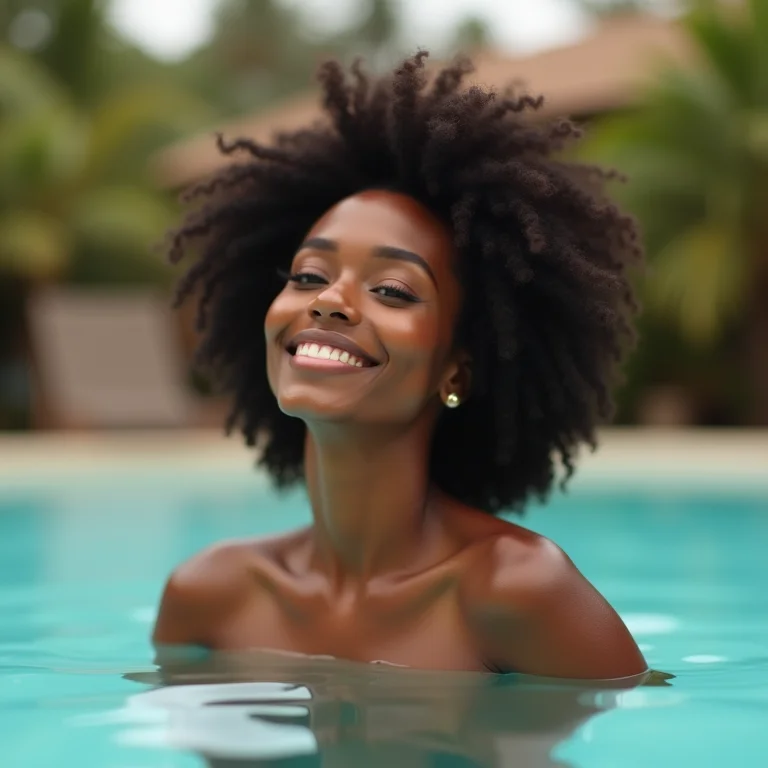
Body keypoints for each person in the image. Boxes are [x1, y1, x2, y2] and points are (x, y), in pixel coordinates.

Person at [154, 52, 647, 679]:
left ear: (455, 371)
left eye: (391, 290)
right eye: (308, 276)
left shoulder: (517, 592)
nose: (330, 301)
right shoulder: (208, 597)